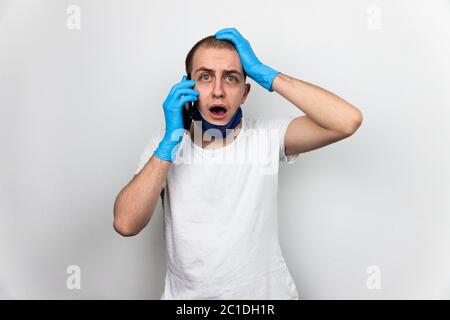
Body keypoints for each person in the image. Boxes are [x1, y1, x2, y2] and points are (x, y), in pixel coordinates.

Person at [113, 28, 363, 299]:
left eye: (230, 78)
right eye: (205, 77)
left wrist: (264, 73)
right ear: (187, 87)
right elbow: (126, 224)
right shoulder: (163, 149)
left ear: (244, 93)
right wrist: (170, 142)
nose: (218, 91)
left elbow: (346, 121)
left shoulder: (266, 138)